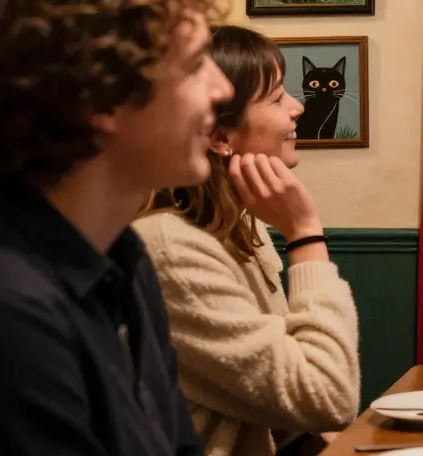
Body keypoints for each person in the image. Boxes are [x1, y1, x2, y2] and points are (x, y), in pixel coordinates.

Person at [0, 0, 233, 454]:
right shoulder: (8, 310)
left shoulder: (124, 256)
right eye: (195, 65)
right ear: (102, 95)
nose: (223, 88)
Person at [137, 25, 360, 456]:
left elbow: (299, 410)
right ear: (220, 137)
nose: (296, 107)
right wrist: (305, 234)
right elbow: (327, 398)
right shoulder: (171, 248)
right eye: (277, 97)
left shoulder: (242, 223)